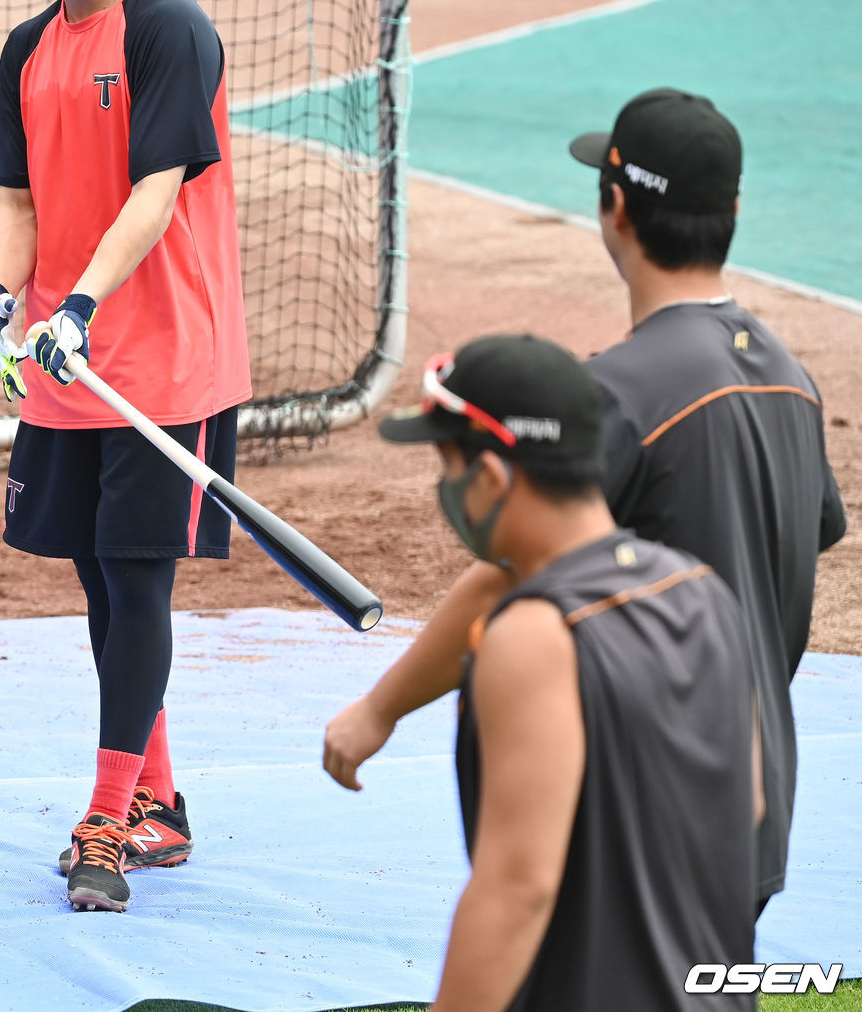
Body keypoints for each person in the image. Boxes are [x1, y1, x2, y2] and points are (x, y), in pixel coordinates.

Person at [323, 87, 846, 919]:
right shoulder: (794, 377)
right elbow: (799, 541)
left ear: (615, 207)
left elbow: (511, 573)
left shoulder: (617, 395)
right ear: (733, 209)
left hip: (642, 793)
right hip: (752, 793)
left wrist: (377, 709)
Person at [0, 0, 252, 913]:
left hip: (163, 359)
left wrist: (81, 301)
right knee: (98, 574)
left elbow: (161, 183)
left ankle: (106, 817)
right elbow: (15, 194)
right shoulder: (27, 49)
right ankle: (160, 799)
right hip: (63, 360)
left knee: (137, 578)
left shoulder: (169, 27)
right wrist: (5, 297)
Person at [366, 333, 762, 1012]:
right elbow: (746, 804)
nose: (445, 488)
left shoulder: (532, 634)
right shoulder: (704, 591)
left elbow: (517, 888)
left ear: (490, 477)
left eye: (447, 462)